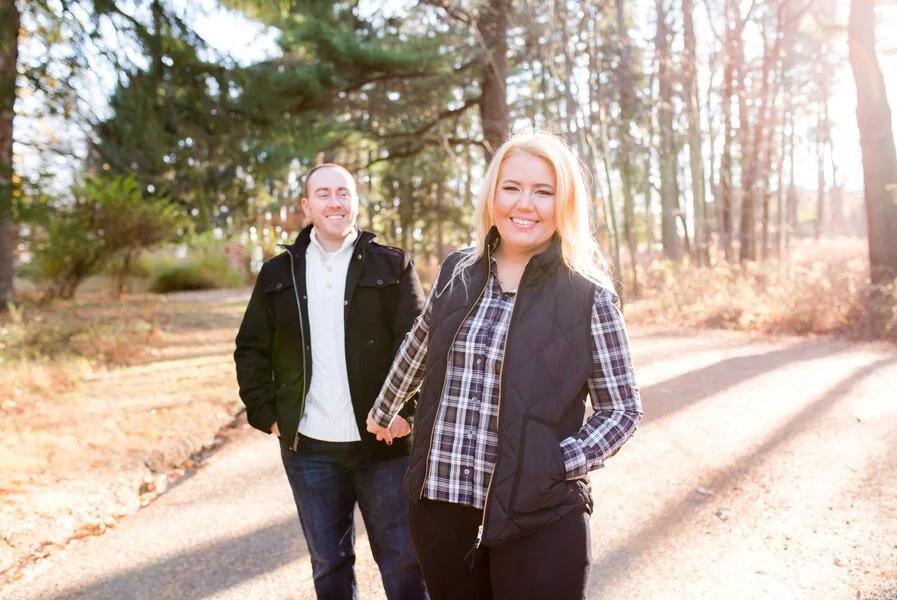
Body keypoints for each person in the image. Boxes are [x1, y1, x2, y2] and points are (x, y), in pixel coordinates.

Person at [366, 132, 643, 600]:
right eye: (512, 187)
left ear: (565, 204)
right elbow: (419, 344)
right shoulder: (457, 269)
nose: (525, 204)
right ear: (493, 195)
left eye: (544, 191)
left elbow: (622, 411)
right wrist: (385, 407)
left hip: (539, 510)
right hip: (442, 501)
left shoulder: (589, 296)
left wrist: (556, 462)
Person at [234, 163, 428, 600]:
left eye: (343, 192)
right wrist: (268, 417)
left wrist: (408, 414)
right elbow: (250, 349)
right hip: (310, 449)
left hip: (384, 445)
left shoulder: (393, 264)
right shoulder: (277, 273)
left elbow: (422, 346)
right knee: (329, 565)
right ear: (307, 205)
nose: (335, 201)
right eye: (323, 194)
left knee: (404, 561)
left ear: (356, 202)